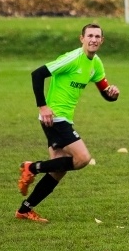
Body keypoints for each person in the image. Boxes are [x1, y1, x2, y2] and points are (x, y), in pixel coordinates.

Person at [15, 23, 120, 223]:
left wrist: (112, 94)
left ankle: (24, 210)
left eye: (97, 36)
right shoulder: (72, 59)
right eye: (90, 36)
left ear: (102, 40)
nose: (93, 40)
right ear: (82, 38)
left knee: (57, 170)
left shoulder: (96, 63)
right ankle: (32, 168)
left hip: (64, 118)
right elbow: (37, 74)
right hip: (54, 117)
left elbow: (105, 91)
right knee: (83, 158)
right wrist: (43, 107)